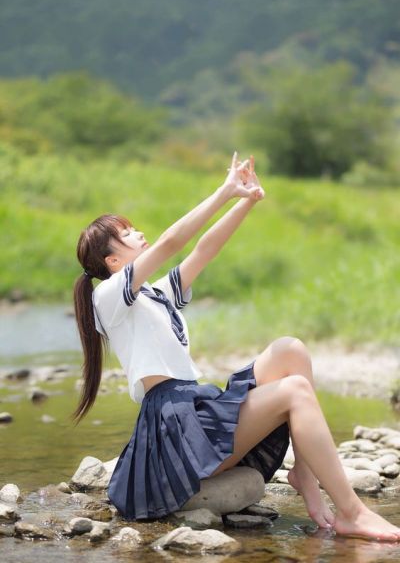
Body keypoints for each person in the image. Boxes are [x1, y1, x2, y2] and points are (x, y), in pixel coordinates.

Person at [73, 153, 400, 541]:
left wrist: (248, 200)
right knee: (295, 391)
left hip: (196, 409)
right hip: (174, 430)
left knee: (289, 350)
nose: (139, 233)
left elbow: (202, 251)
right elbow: (173, 241)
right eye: (127, 234)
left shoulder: (155, 295)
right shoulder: (109, 297)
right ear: (113, 260)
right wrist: (224, 190)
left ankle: (306, 477)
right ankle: (352, 512)